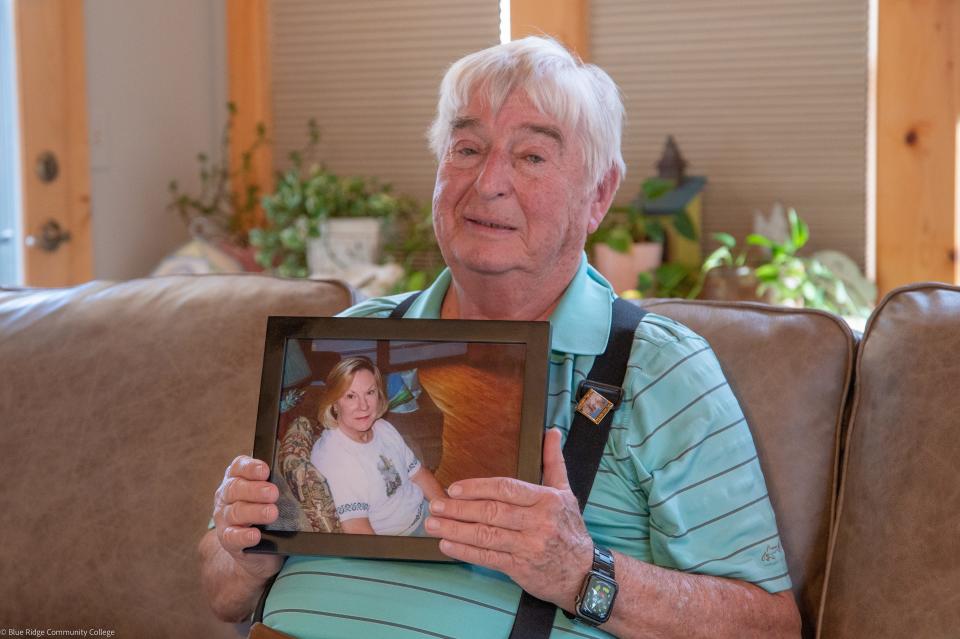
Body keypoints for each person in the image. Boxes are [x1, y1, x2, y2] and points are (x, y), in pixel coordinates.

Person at [199, 36, 802, 638]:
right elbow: (223, 596)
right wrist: (243, 549)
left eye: (532, 157)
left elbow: (770, 629)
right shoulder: (349, 344)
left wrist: (580, 573)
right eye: (467, 148)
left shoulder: (658, 368)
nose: (488, 182)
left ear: (598, 194)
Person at [310, 356, 445, 536]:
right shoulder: (336, 458)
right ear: (334, 403)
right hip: (403, 538)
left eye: (370, 392)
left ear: (379, 395)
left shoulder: (382, 427)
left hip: (424, 511)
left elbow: (419, 474)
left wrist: (449, 510)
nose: (363, 406)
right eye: (351, 396)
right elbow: (357, 528)